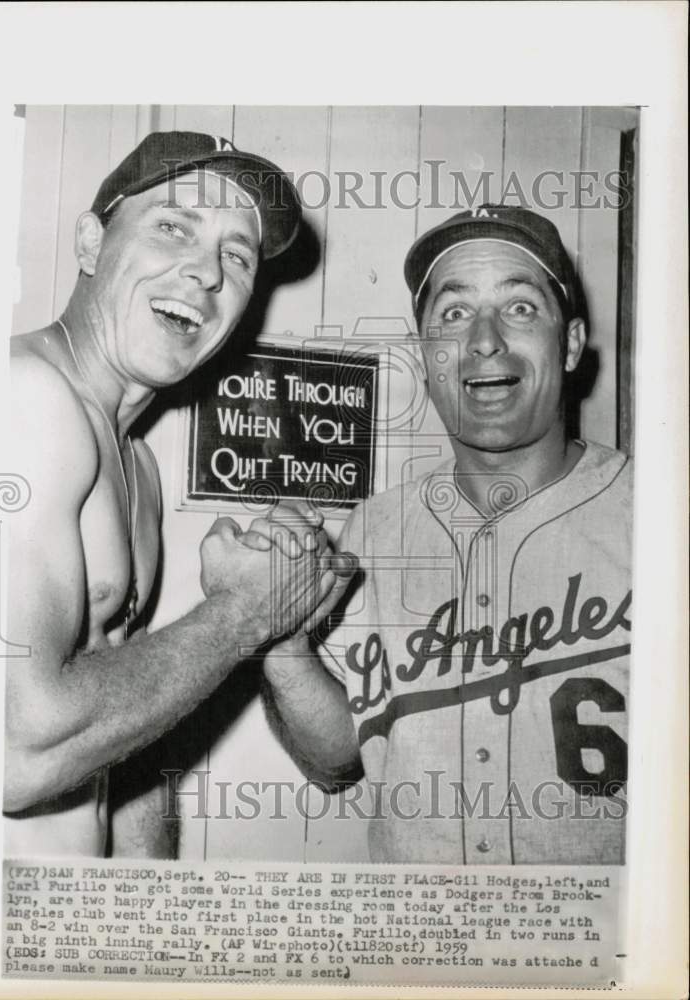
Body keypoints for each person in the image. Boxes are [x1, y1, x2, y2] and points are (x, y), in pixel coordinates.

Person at [5, 131, 352, 857]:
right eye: (172, 228)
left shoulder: (137, 466)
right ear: (92, 244)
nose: (205, 273)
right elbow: (14, 755)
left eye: (236, 254)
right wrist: (245, 613)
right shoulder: (26, 399)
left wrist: (148, 908)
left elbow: (119, 728)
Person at [263, 204, 632, 864]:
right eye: (453, 314)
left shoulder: (657, 518)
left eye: (519, 308)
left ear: (570, 343)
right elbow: (336, 761)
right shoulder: (373, 531)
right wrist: (279, 640)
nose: (484, 339)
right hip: (422, 951)